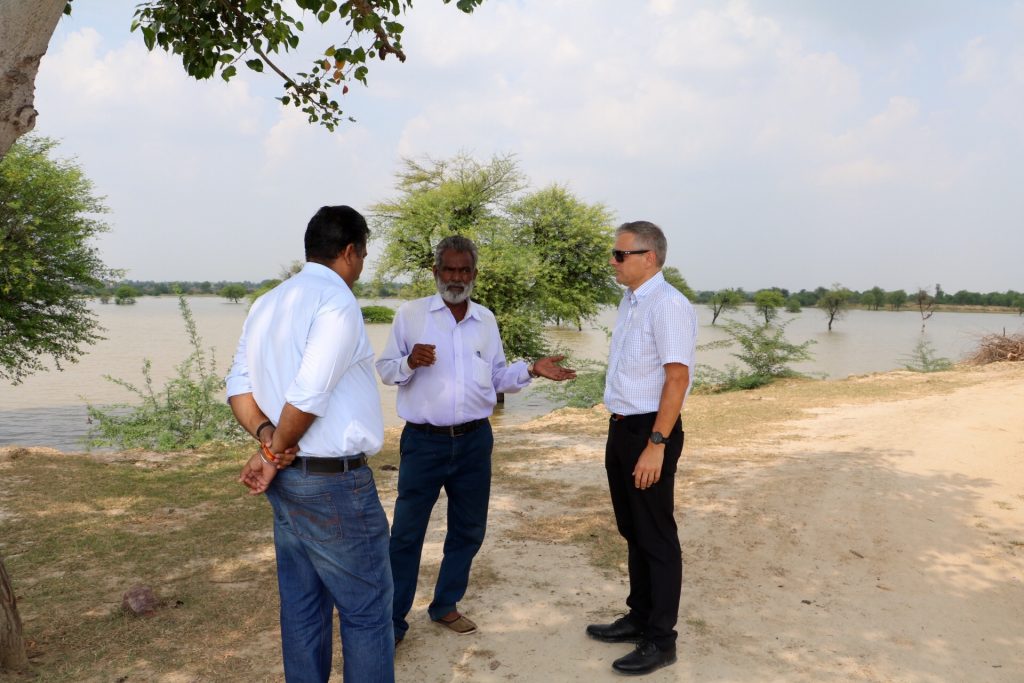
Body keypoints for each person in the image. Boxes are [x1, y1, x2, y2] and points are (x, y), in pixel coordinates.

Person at [376, 235, 576, 645]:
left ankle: (445, 605)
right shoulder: (410, 316)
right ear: (435, 272)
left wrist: (532, 370)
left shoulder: (485, 320)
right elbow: (385, 370)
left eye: (463, 270)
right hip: (423, 442)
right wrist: (410, 362)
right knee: (407, 535)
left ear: (474, 274)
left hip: (474, 442)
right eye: (448, 269)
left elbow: (498, 377)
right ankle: (392, 623)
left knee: (468, 529)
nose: (455, 277)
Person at [225, 205, 394, 683]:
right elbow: (308, 395)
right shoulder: (336, 302)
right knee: (366, 612)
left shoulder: (268, 303)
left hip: (293, 485)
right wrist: (274, 449)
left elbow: (238, 385)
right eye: (363, 253)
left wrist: (266, 444)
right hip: (334, 486)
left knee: (303, 611)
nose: (361, 265)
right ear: (348, 252)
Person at [586, 221, 697, 676]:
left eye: (619, 254)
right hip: (622, 428)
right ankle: (639, 616)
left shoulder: (668, 306)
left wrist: (657, 444)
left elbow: (677, 378)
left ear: (648, 257)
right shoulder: (630, 302)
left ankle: (661, 640)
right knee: (633, 529)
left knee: (657, 536)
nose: (612, 261)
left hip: (650, 433)